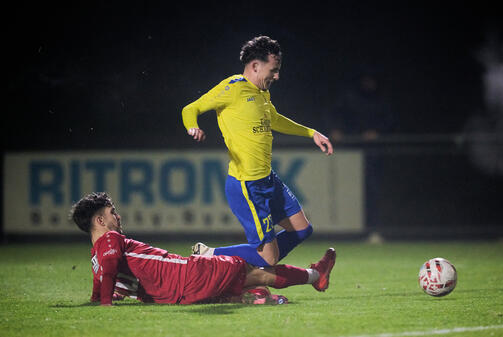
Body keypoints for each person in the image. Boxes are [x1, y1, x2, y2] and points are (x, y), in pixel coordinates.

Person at [181, 35, 334, 267]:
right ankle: (209, 255)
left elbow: (275, 120)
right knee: (269, 258)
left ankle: (256, 267)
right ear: (255, 65)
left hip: (268, 180)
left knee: (303, 230)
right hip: (247, 185)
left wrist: (311, 133)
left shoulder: (262, 93)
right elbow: (190, 108)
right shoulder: (231, 88)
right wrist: (192, 126)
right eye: (274, 70)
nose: (277, 76)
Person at [71, 192, 336, 306]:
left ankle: (258, 298)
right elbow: (109, 274)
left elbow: (109, 279)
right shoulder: (110, 240)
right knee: (257, 268)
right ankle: (315, 276)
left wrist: (99, 299)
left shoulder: (96, 255)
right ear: (100, 221)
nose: (117, 217)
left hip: (173, 295)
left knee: (246, 280)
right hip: (187, 274)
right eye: (112, 213)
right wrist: (105, 303)